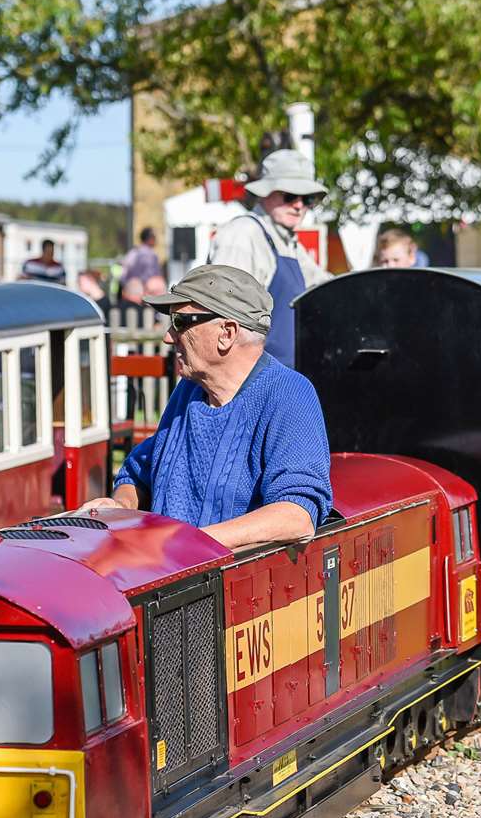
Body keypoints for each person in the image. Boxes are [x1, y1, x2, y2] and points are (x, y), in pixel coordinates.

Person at [81, 265, 332, 550]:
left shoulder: (288, 394)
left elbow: (296, 516)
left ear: (227, 332)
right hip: (169, 575)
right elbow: (139, 473)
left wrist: (190, 544)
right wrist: (120, 504)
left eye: (180, 322)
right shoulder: (189, 391)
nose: (167, 336)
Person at [207, 148, 331, 368]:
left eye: (307, 198)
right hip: (250, 381)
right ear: (266, 193)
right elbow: (224, 316)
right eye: (290, 195)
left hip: (283, 380)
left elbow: (327, 287)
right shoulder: (243, 234)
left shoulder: (288, 243)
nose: (299, 205)